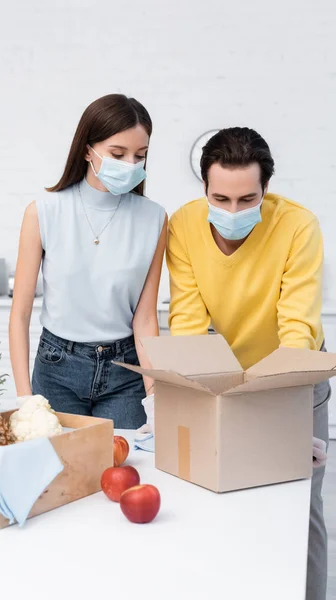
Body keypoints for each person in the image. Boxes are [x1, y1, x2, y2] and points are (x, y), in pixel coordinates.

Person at [166, 127, 329, 600]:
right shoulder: (184, 224)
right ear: (203, 189)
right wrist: (198, 394)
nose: (232, 212)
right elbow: (188, 321)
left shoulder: (299, 226)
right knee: (215, 495)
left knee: (300, 506)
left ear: (265, 191)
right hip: (226, 376)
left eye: (247, 199)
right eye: (221, 198)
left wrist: (283, 415)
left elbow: (297, 327)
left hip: (295, 379)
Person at [9, 94, 167, 429]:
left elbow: (145, 318)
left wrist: (154, 398)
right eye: (117, 153)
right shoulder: (44, 212)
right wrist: (25, 398)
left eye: (140, 156)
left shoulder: (154, 218)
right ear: (87, 150)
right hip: (57, 369)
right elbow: (20, 314)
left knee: (128, 469)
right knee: (62, 474)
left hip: (126, 373)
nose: (130, 165)